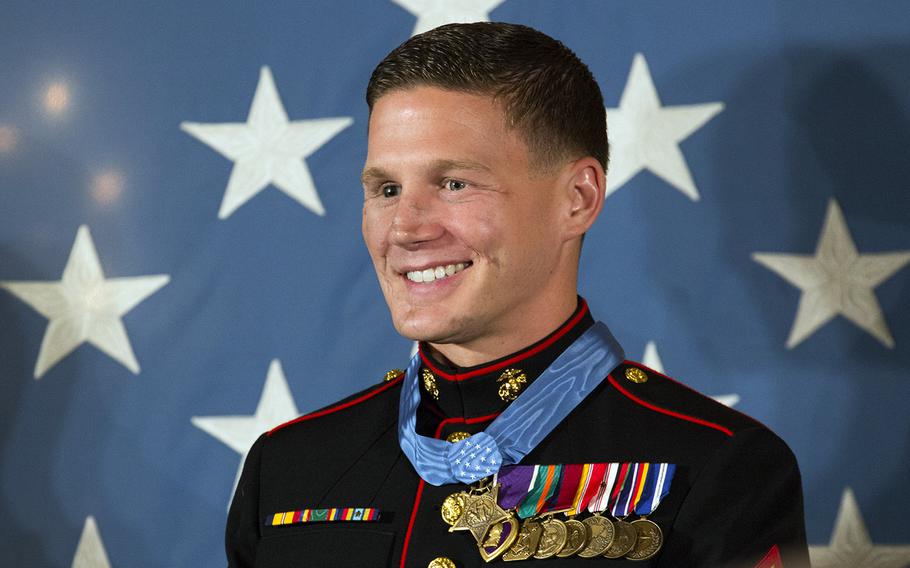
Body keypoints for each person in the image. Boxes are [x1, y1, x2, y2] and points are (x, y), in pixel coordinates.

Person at [226, 22, 809, 567]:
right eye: (385, 188)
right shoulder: (288, 469)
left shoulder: (715, 467)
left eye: (453, 184)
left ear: (577, 199)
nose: (403, 228)